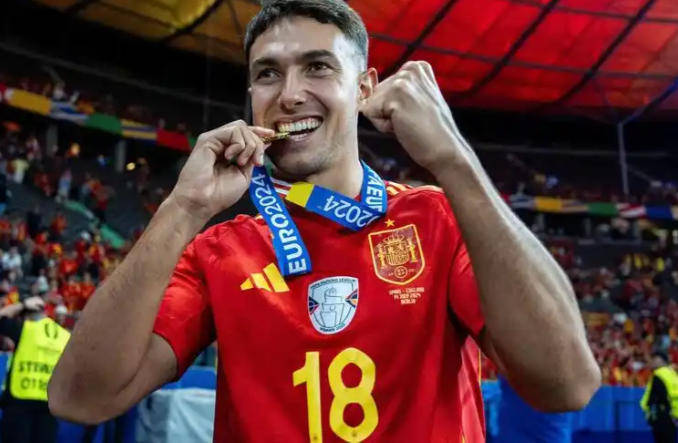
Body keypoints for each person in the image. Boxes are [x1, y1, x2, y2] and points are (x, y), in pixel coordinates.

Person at [49, 0, 600, 441]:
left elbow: (567, 385)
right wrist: (182, 208)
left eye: (318, 67)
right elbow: (80, 398)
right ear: (251, 96)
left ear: (364, 87)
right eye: (268, 74)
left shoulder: (436, 219)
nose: (290, 95)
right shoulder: (218, 251)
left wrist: (454, 159)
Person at [0, 296, 70, 443]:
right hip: (49, 407)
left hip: (19, 404)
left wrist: (22, 304)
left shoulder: (25, 329)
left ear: (26, 316)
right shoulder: (65, 336)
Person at [641, 351, 678, 442]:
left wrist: (650, 414)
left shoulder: (658, 375)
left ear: (661, 360)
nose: (652, 361)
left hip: (662, 416)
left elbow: (655, 397)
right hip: (673, 416)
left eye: (654, 359)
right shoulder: (673, 374)